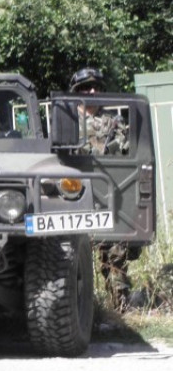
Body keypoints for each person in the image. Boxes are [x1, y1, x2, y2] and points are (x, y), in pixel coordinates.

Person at [70, 67, 133, 310]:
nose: (92, 91)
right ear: (77, 91)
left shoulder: (113, 122)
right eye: (86, 87)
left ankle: (120, 306)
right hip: (75, 195)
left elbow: (127, 155)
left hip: (107, 193)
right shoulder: (67, 122)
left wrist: (116, 145)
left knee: (115, 252)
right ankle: (77, 307)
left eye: (96, 86)